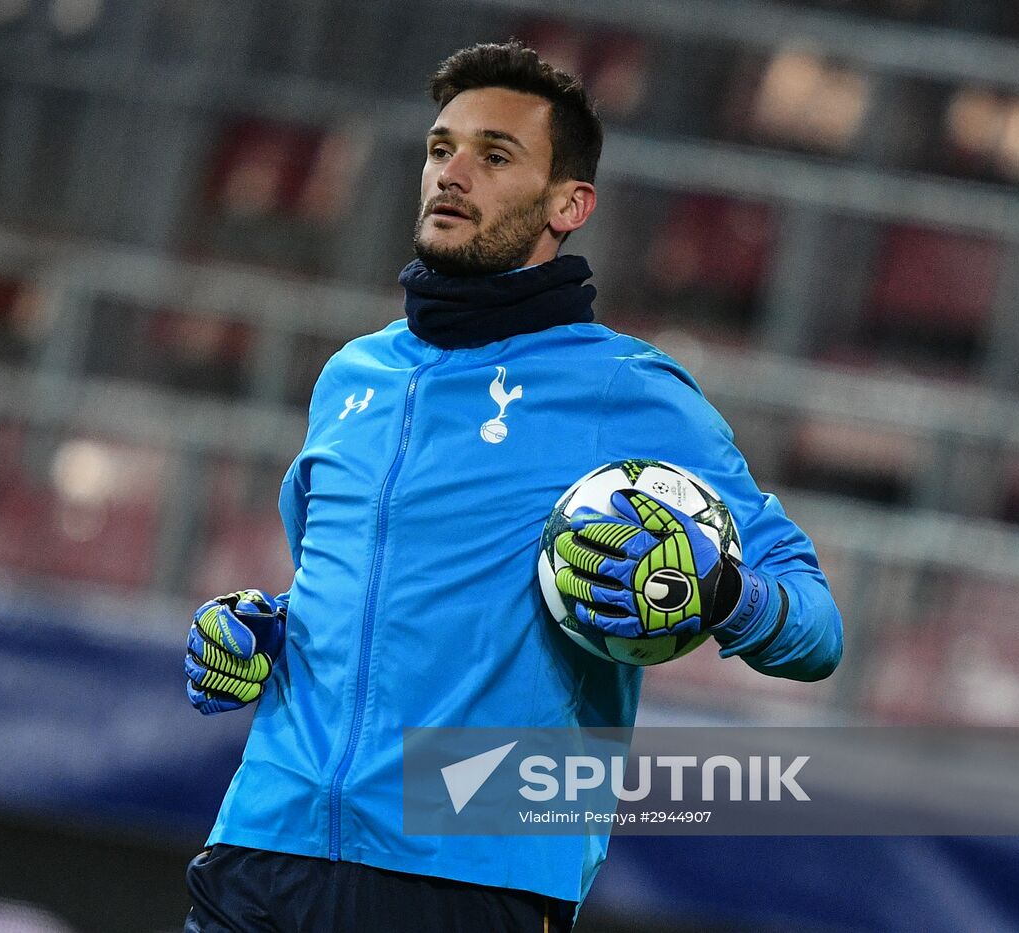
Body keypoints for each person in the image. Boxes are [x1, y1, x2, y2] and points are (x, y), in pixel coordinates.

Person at [182, 41, 843, 933]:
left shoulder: (625, 390)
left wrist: (724, 592)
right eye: (441, 148)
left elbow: (816, 627)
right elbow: (355, 598)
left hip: (464, 870)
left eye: (495, 156)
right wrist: (263, 630)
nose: (452, 174)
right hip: (264, 842)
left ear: (570, 204)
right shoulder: (352, 376)